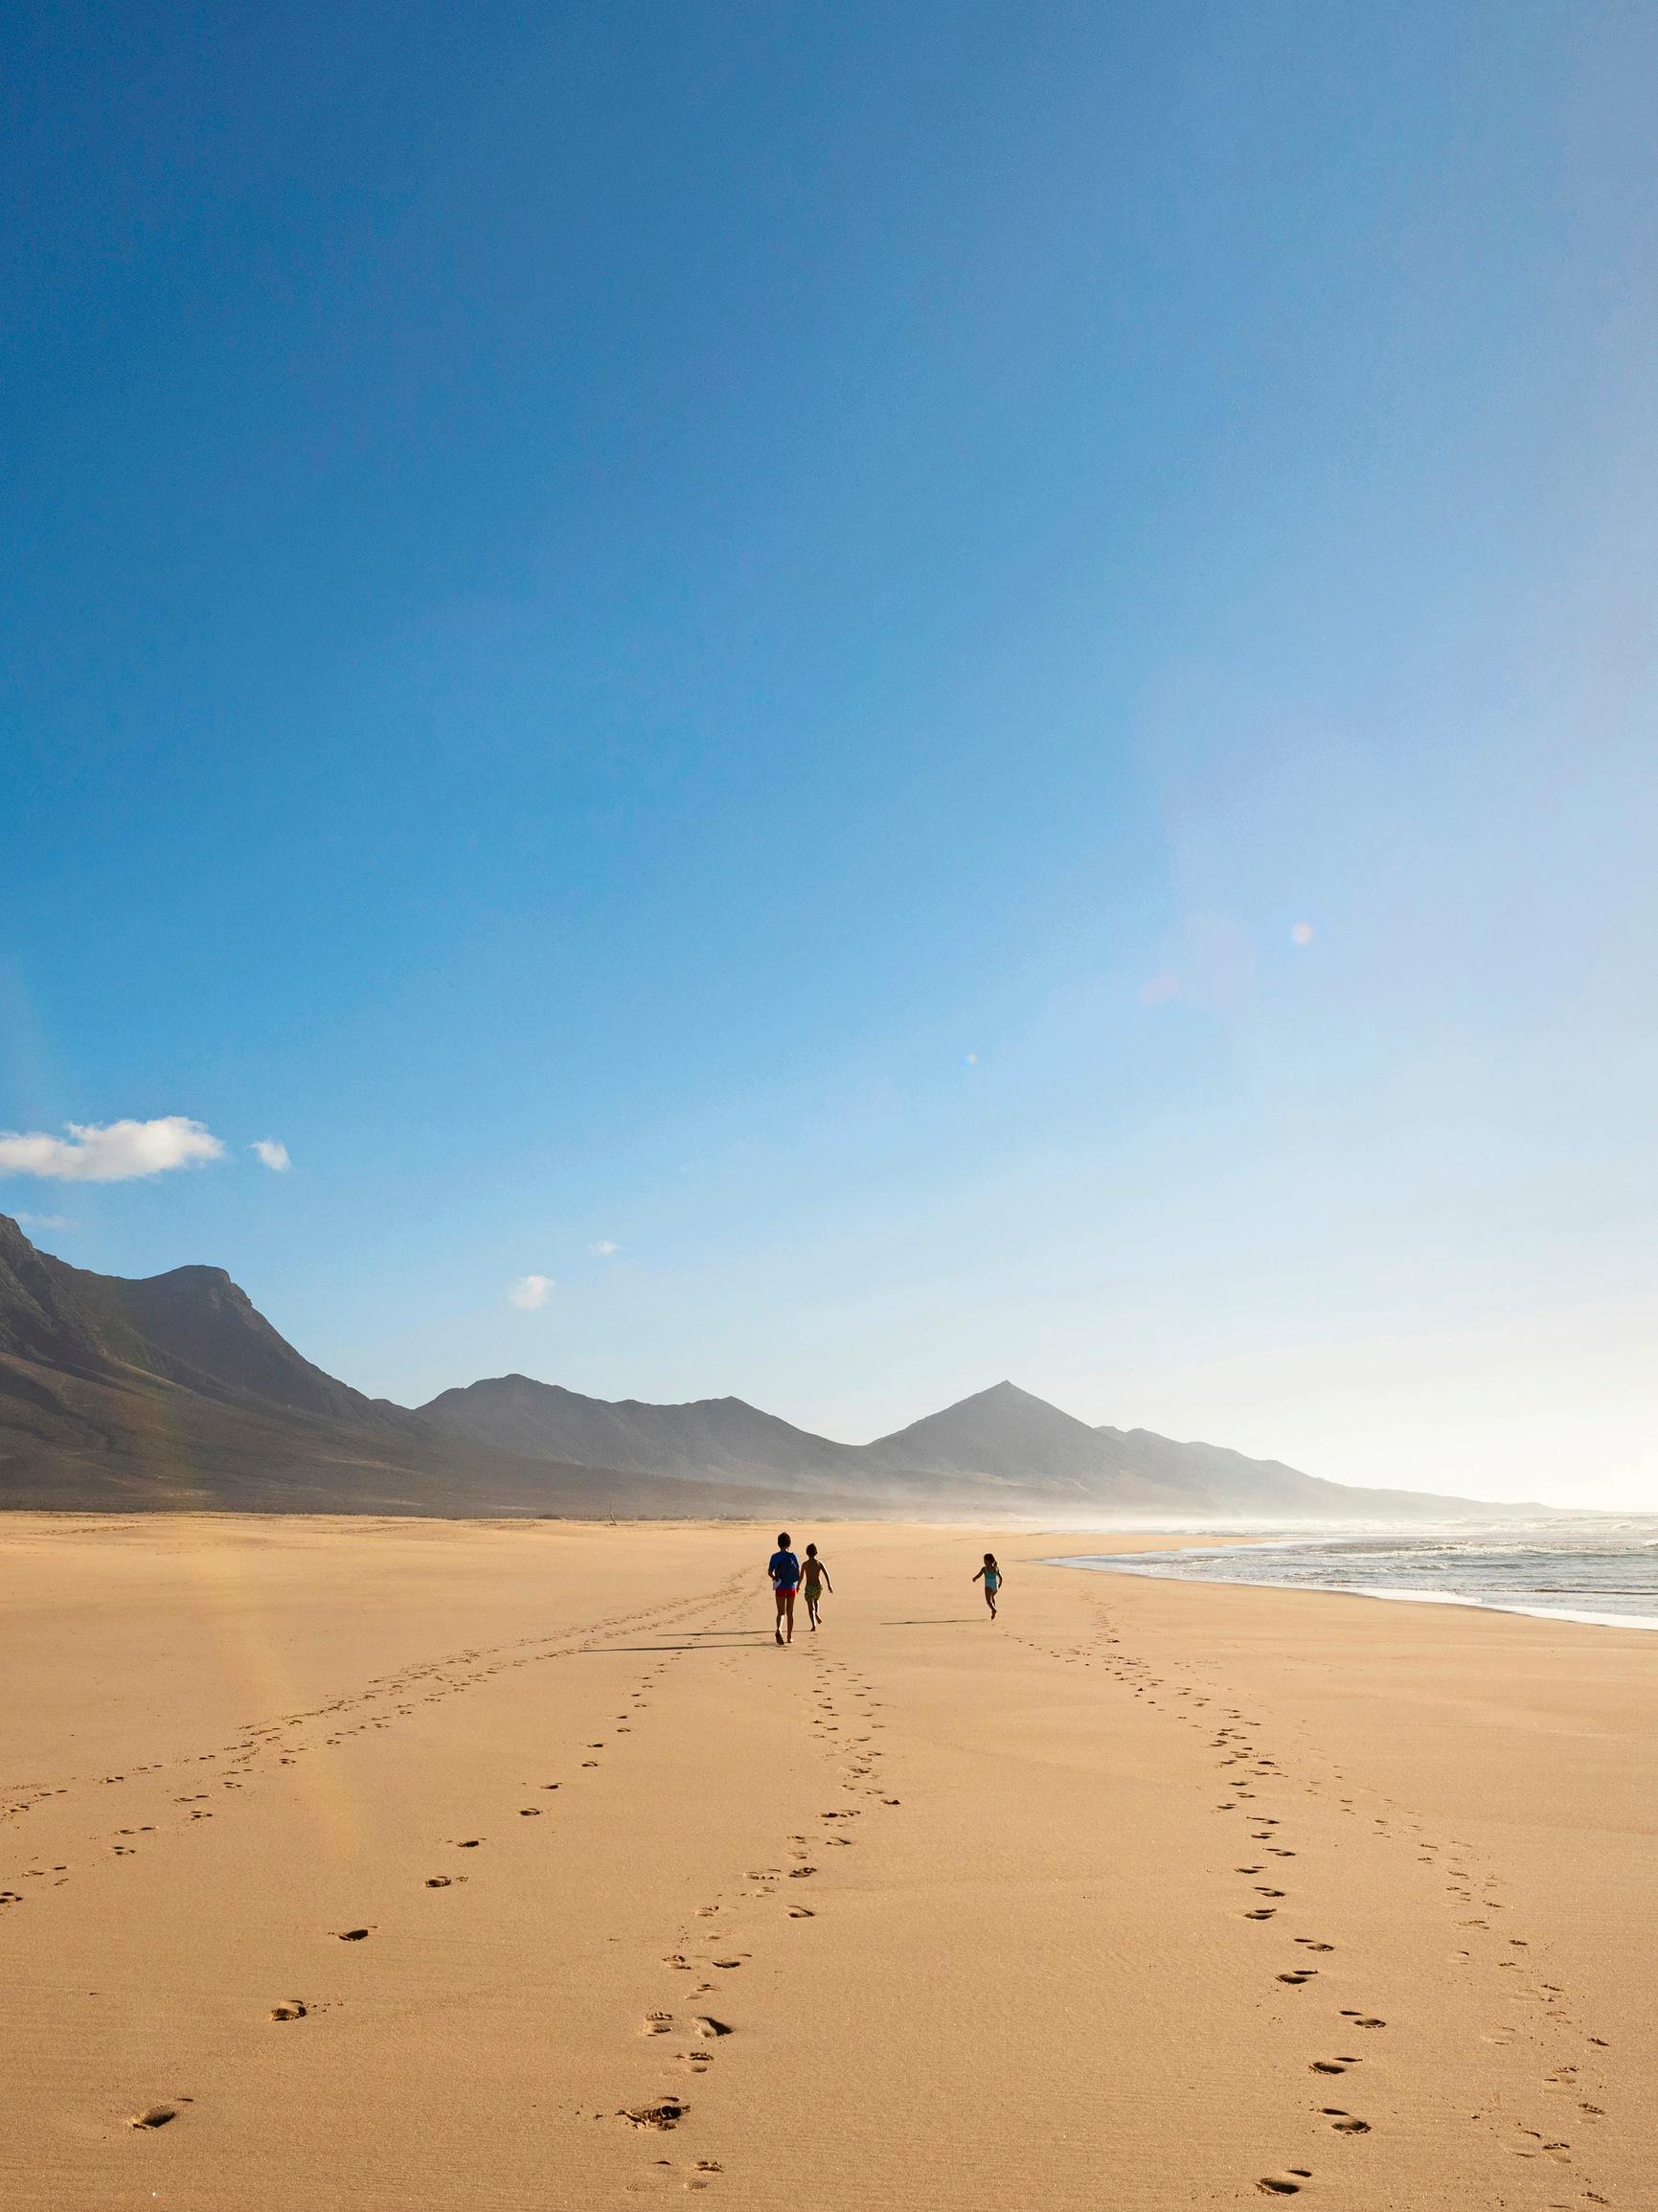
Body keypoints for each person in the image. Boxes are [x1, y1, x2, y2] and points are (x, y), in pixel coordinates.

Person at [767, 1532, 801, 1645]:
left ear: (778, 1543)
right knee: (790, 1613)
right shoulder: (793, 1555)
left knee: (781, 1613)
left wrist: (775, 1578)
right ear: (789, 1543)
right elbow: (798, 1572)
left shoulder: (774, 1556)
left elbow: (769, 1572)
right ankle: (789, 1637)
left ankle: (779, 1629)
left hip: (780, 1587)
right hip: (791, 1587)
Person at [801, 1542, 832, 1630]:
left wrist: (798, 1586)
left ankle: (813, 1624)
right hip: (818, 1587)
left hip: (809, 1587)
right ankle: (817, 1613)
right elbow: (826, 1574)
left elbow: (801, 1577)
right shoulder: (819, 1563)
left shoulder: (805, 1564)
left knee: (810, 1607)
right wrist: (829, 1585)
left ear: (807, 1553)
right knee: (816, 1600)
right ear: (816, 1552)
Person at [971, 1552, 1002, 1619]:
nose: (984, 1562)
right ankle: (993, 1611)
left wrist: (974, 1578)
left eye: (985, 1560)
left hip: (988, 1586)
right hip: (995, 1586)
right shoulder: (996, 1568)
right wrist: (999, 1586)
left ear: (988, 1561)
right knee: (992, 1597)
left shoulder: (984, 1569)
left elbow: (979, 1575)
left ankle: (994, 1610)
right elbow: (1001, 1578)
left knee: (988, 1601)